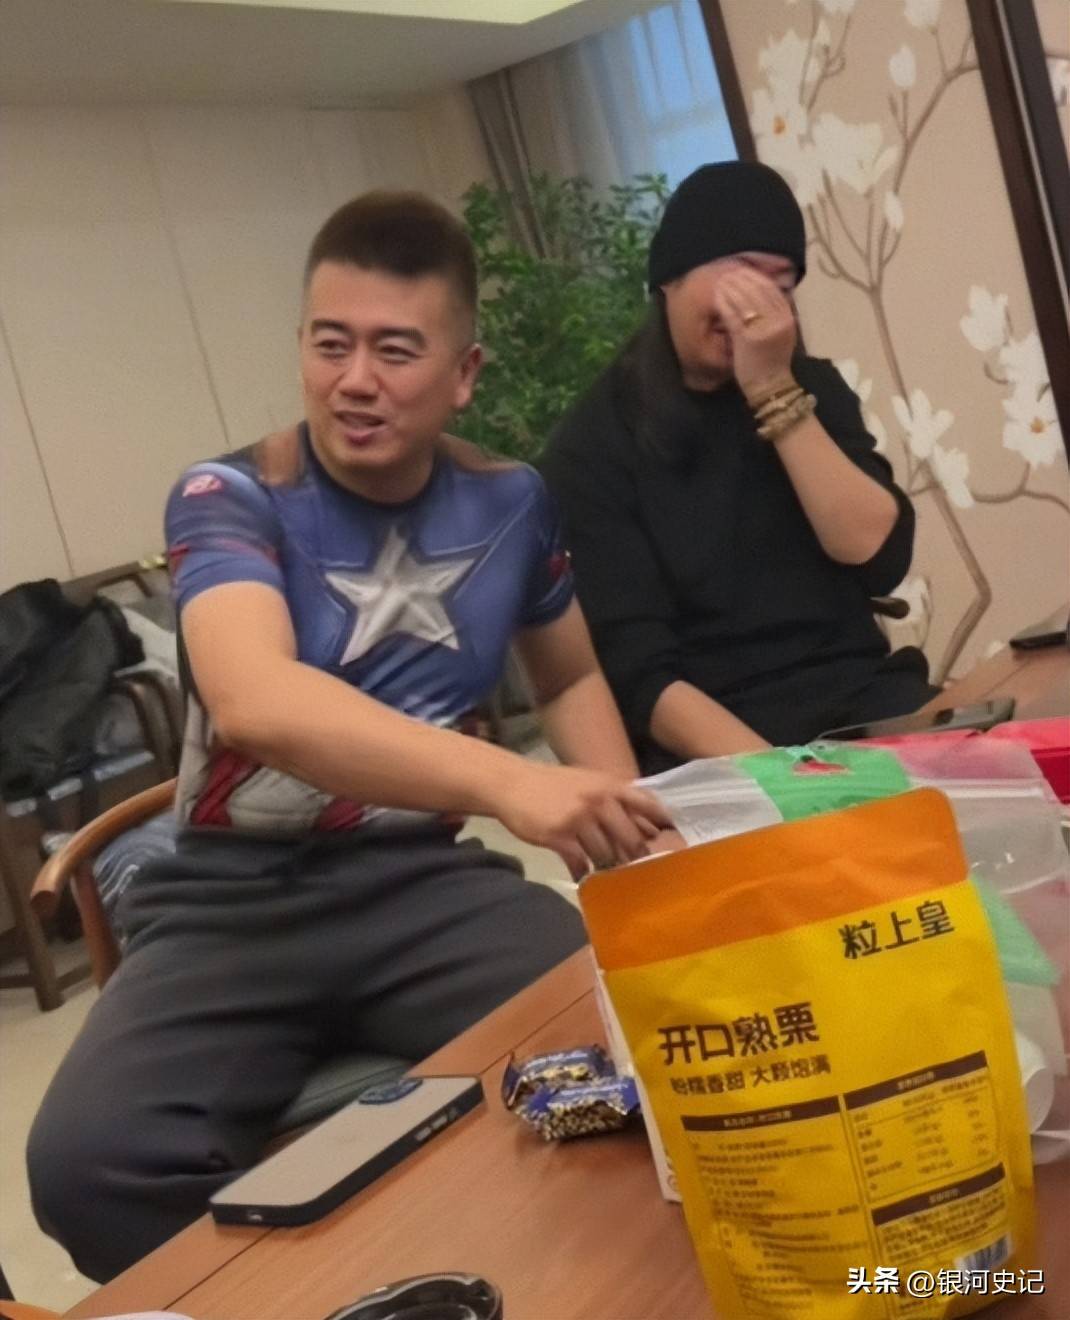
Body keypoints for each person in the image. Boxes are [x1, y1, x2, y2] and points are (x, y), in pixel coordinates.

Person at [27, 192, 668, 1282]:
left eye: (394, 350)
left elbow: (566, 675)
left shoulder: (512, 503)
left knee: (628, 1048)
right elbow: (256, 701)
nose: (354, 379)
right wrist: (508, 783)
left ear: (463, 373)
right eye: (330, 345)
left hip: (421, 887)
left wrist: (621, 844)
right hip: (232, 904)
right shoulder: (231, 495)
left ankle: (533, 1273)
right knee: (86, 1166)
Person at [541, 161, 937, 773]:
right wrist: (793, 779)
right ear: (670, 277)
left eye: (781, 285)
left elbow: (877, 555)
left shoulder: (812, 387)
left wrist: (774, 391)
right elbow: (642, 677)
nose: (758, 307)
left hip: (862, 701)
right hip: (717, 748)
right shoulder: (591, 447)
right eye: (742, 275)